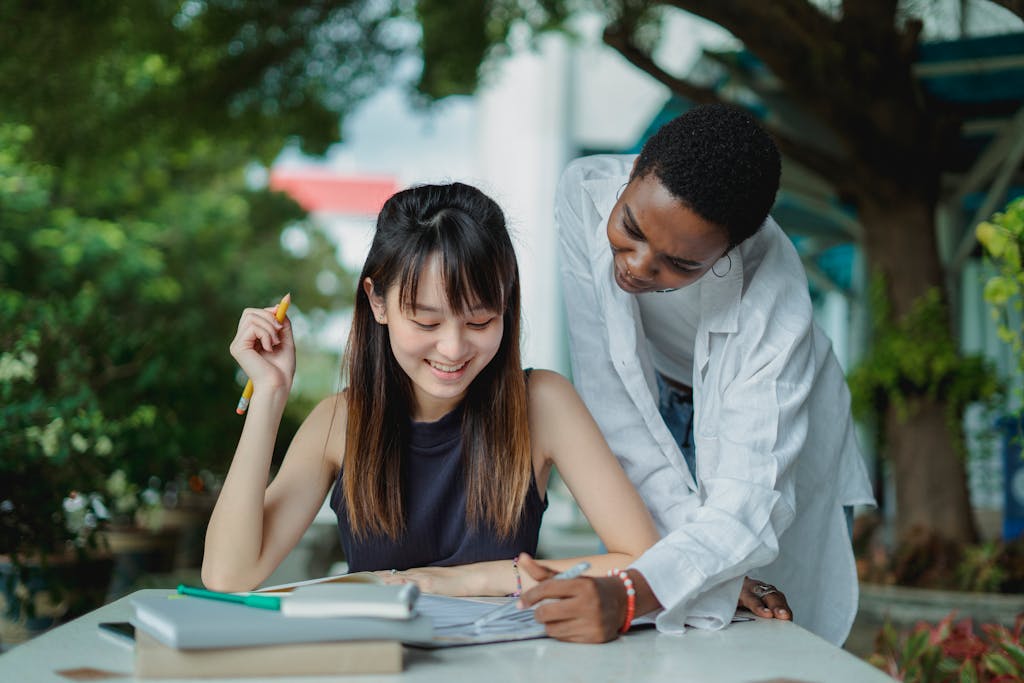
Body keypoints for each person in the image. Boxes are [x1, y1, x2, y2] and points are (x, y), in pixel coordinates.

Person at [201, 182, 667, 607]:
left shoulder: (542, 402)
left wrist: (463, 580)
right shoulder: (340, 421)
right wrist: (270, 391)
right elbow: (228, 576)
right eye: (426, 322)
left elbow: (644, 559)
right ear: (377, 302)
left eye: (480, 321)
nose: (453, 348)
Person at [517, 104, 875, 646]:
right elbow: (610, 396)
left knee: (767, 638)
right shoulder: (586, 191)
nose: (636, 266)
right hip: (660, 400)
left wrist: (634, 590)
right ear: (633, 175)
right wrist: (689, 577)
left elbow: (748, 507)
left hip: (765, 428)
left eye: (680, 264)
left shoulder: (773, 302)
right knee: (664, 628)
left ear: (731, 250)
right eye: (630, 229)